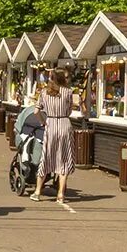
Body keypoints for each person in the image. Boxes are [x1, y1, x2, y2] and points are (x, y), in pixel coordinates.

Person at [32, 68, 75, 203]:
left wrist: (42, 122)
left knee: (46, 156)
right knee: (63, 159)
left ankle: (38, 191)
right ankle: (61, 194)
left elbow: (35, 111)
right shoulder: (68, 92)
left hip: (50, 124)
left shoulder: (44, 93)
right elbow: (69, 111)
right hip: (64, 124)